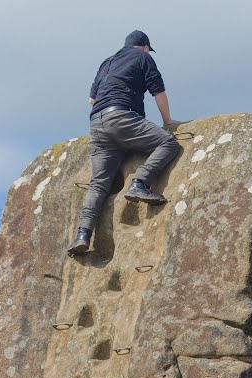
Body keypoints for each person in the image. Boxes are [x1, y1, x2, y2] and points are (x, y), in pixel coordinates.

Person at [69, 30, 182, 257]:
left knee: (99, 183)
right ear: (143, 47)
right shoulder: (143, 58)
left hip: (97, 123)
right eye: (148, 49)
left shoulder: (107, 62)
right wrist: (167, 121)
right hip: (120, 118)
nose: (148, 52)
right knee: (168, 143)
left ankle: (82, 235)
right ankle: (140, 183)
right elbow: (157, 91)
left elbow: (91, 99)